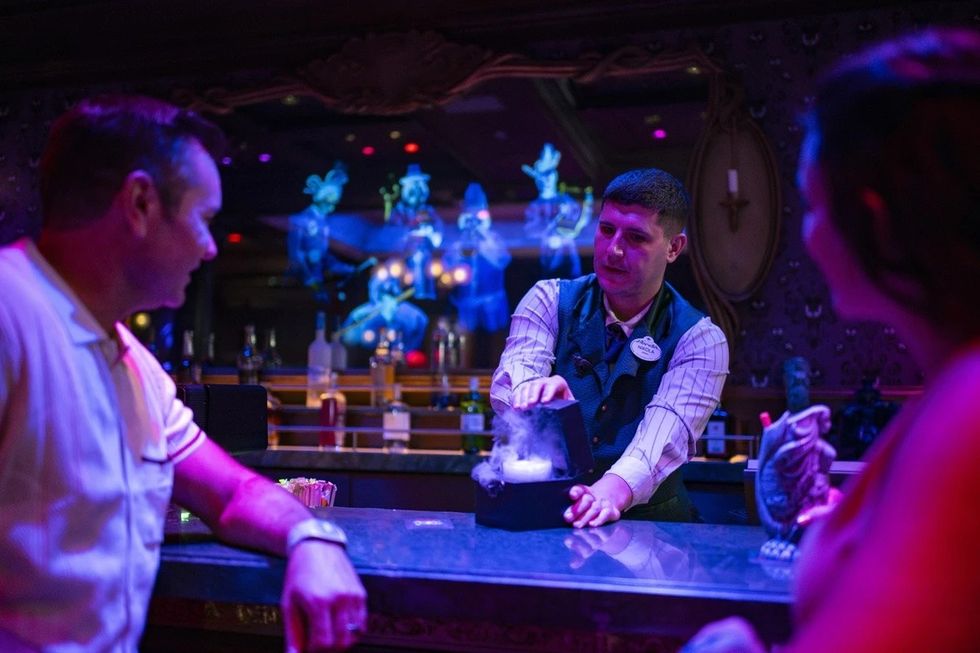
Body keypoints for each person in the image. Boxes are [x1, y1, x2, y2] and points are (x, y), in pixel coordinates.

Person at [0, 96, 366, 652]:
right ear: (141, 203)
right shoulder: (11, 314)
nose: (212, 247)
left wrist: (311, 537)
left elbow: (233, 494)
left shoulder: (133, 363)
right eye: (204, 219)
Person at [683, 27, 980, 652]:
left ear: (873, 217)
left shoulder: (968, 412)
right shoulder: (951, 384)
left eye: (813, 206)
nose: (810, 237)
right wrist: (819, 512)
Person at [490, 168, 729, 527]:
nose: (613, 250)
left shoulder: (700, 340)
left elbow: (661, 441)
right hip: (546, 516)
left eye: (635, 237)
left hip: (652, 533)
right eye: (606, 230)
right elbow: (514, 379)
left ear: (674, 248)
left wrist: (608, 493)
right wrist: (537, 399)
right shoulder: (547, 300)